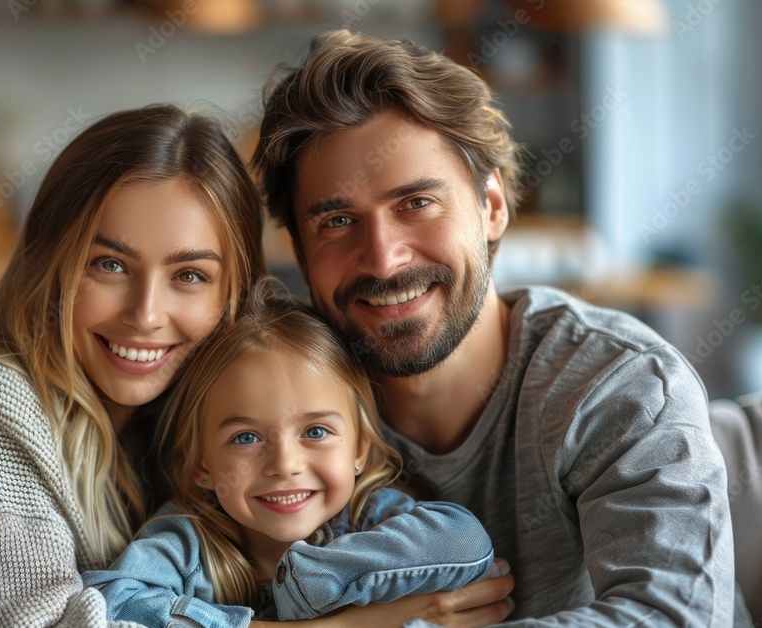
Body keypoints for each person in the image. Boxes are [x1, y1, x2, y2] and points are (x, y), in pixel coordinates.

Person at [253, 29, 736, 625]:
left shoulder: (619, 385)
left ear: (493, 205)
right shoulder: (272, 401)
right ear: (299, 251)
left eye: (416, 204)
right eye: (337, 220)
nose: (382, 259)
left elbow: (671, 618)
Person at [0, 105, 268, 626]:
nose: (146, 315)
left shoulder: (210, 422)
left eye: (190, 275)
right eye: (109, 265)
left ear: (233, 294)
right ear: (51, 265)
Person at [81, 281, 500, 627]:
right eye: (246, 438)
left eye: (315, 431)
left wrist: (312, 578)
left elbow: (465, 541)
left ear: (359, 450)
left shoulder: (371, 517)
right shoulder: (187, 543)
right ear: (201, 465)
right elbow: (111, 602)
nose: (284, 464)